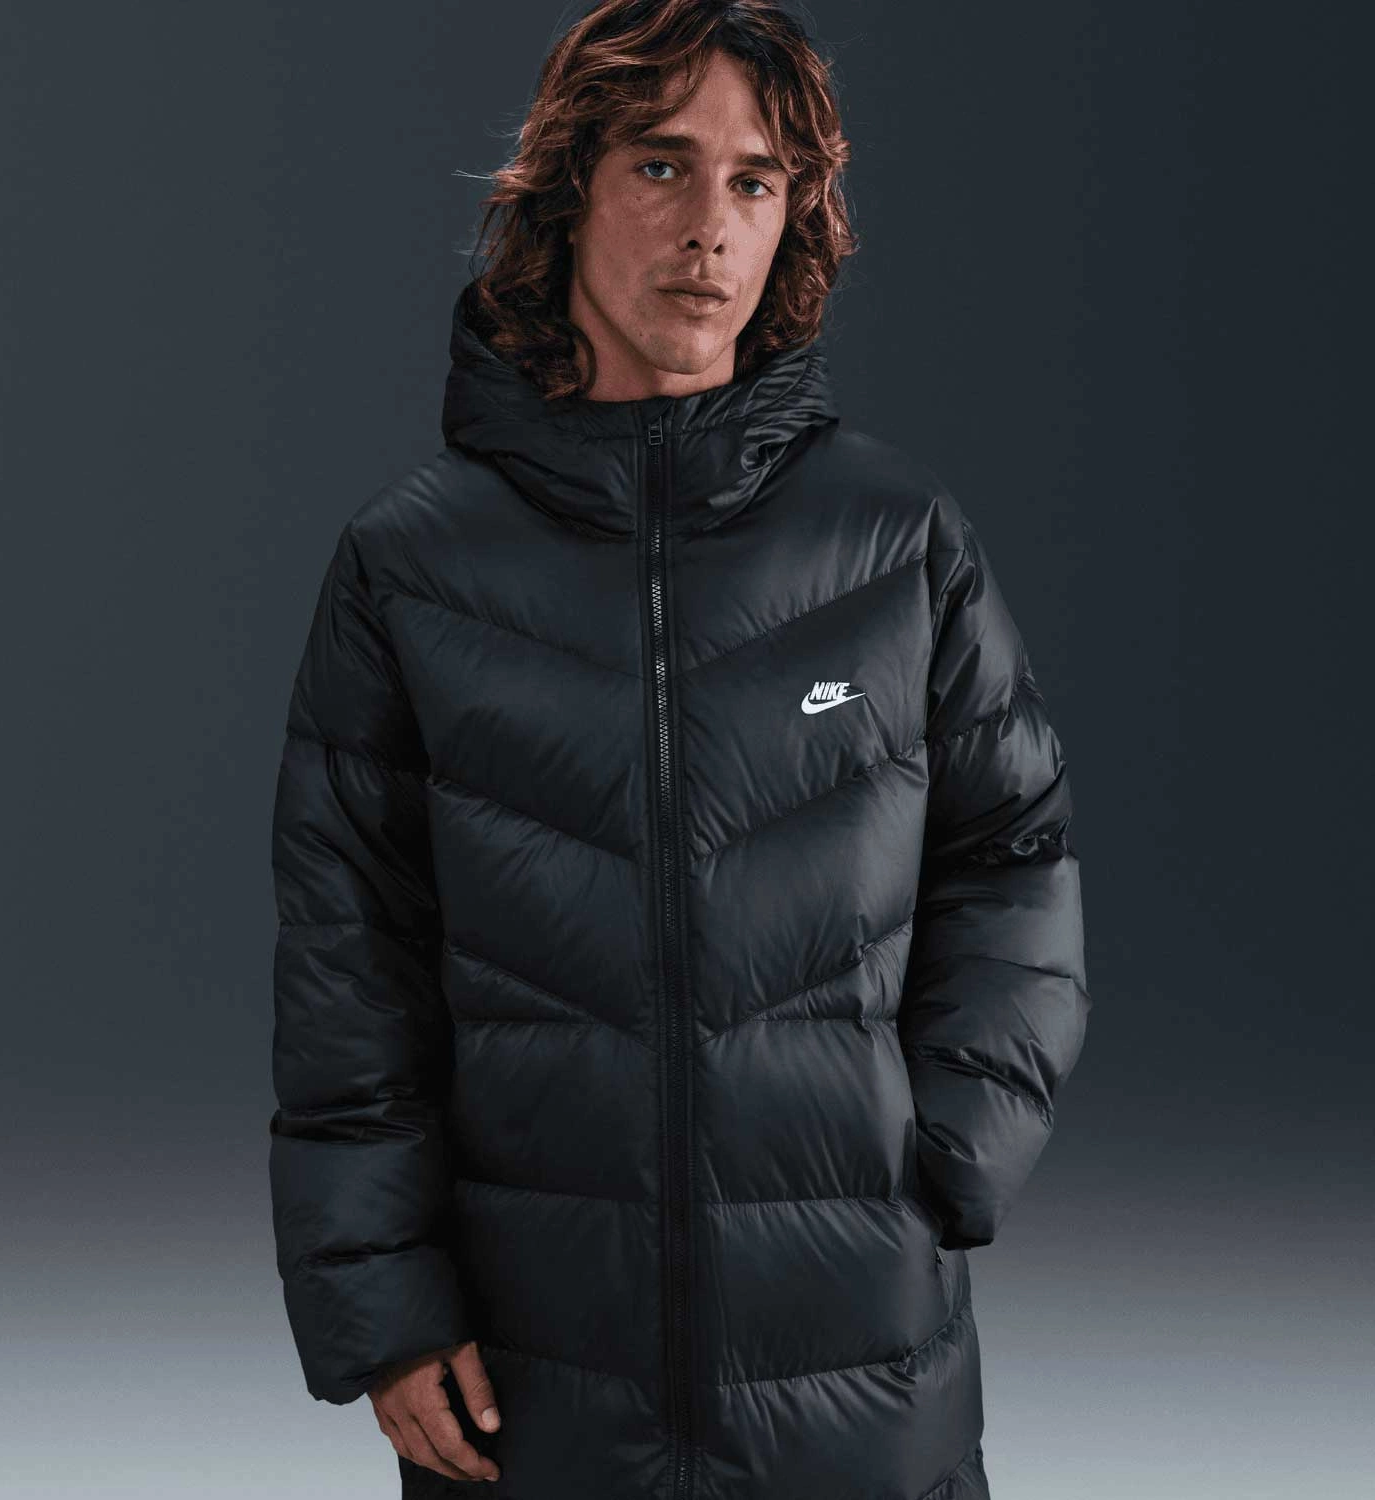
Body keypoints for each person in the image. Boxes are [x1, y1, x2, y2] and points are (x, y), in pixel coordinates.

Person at [266, 3, 1089, 1497]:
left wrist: (952, 1148)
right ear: (567, 190)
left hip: (857, 1345)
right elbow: (349, 957)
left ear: (794, 220)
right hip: (533, 1367)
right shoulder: (413, 567)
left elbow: (1013, 851)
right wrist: (383, 1305)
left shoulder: (895, 544)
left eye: (756, 180)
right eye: (661, 165)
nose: (710, 224)